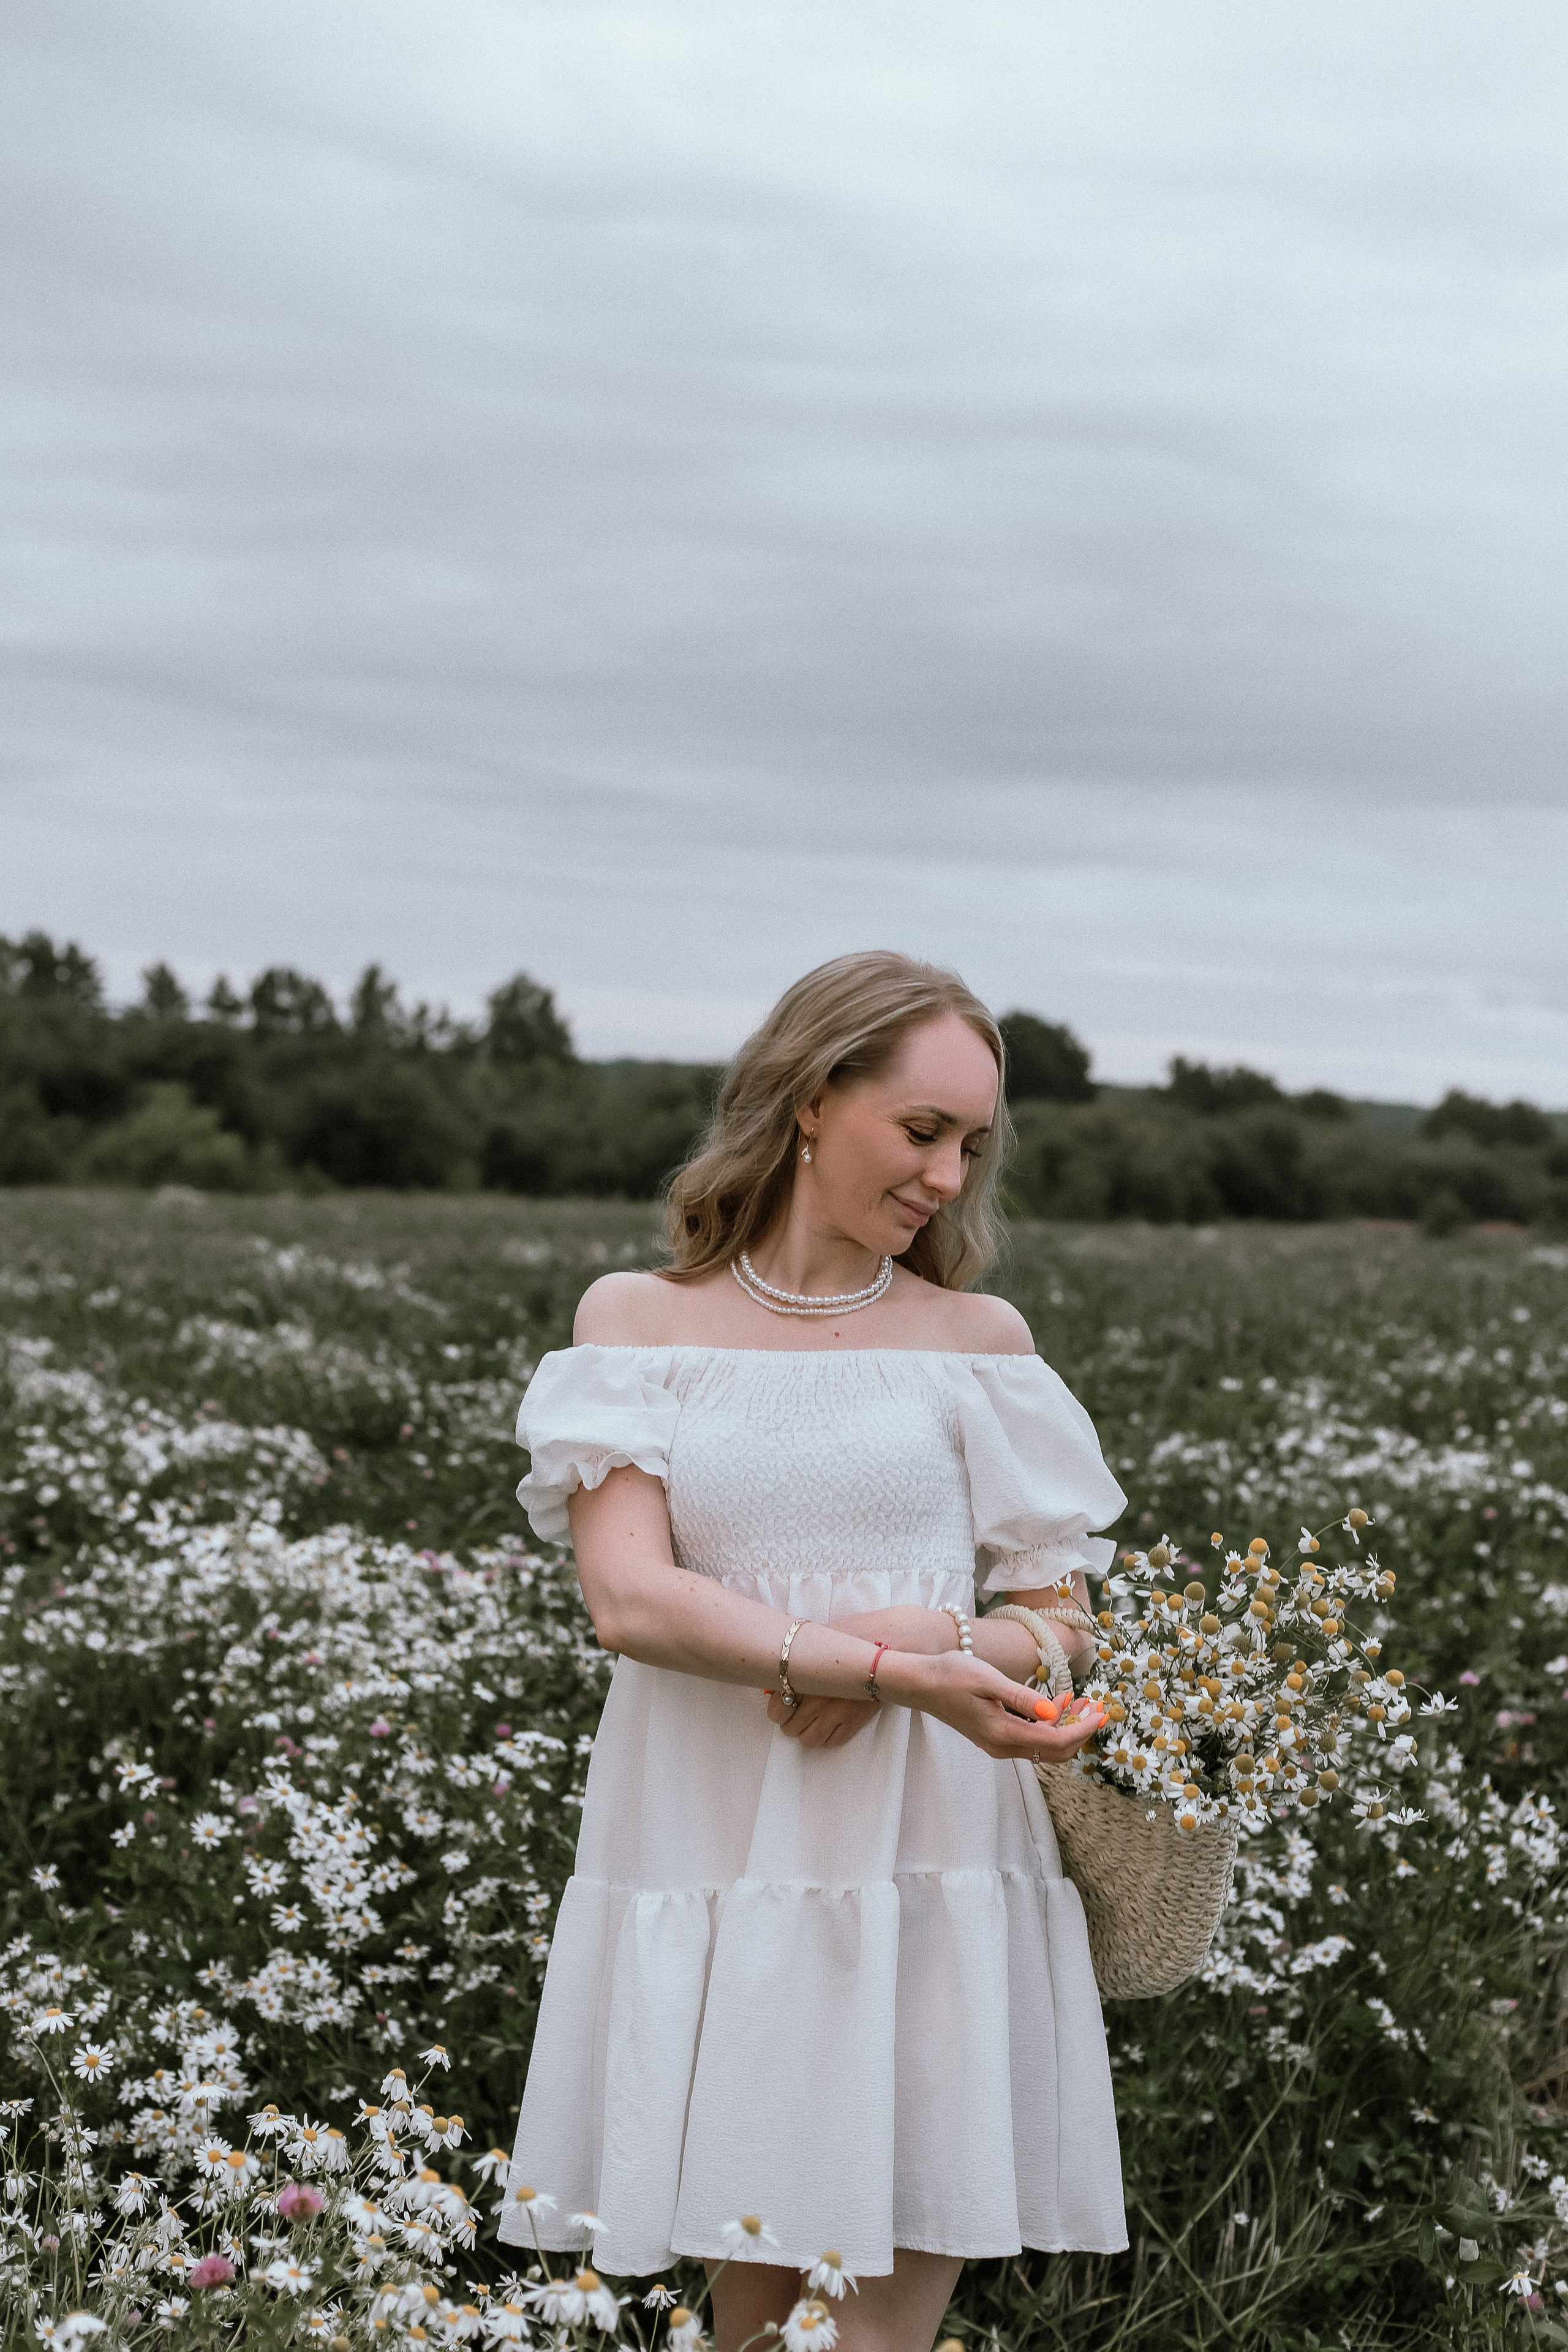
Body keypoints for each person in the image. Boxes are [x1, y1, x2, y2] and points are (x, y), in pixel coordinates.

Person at [499, 951, 1128, 2352]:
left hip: (923, 1866)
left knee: (869, 2334)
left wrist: (930, 1631)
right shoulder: (637, 1324)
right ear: (807, 1100)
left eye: (970, 1145)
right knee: (754, 2329)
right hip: (722, 1855)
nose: (947, 1178)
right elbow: (628, 1600)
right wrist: (870, 1670)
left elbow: (1062, 1621)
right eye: (920, 1131)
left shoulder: (976, 1342)